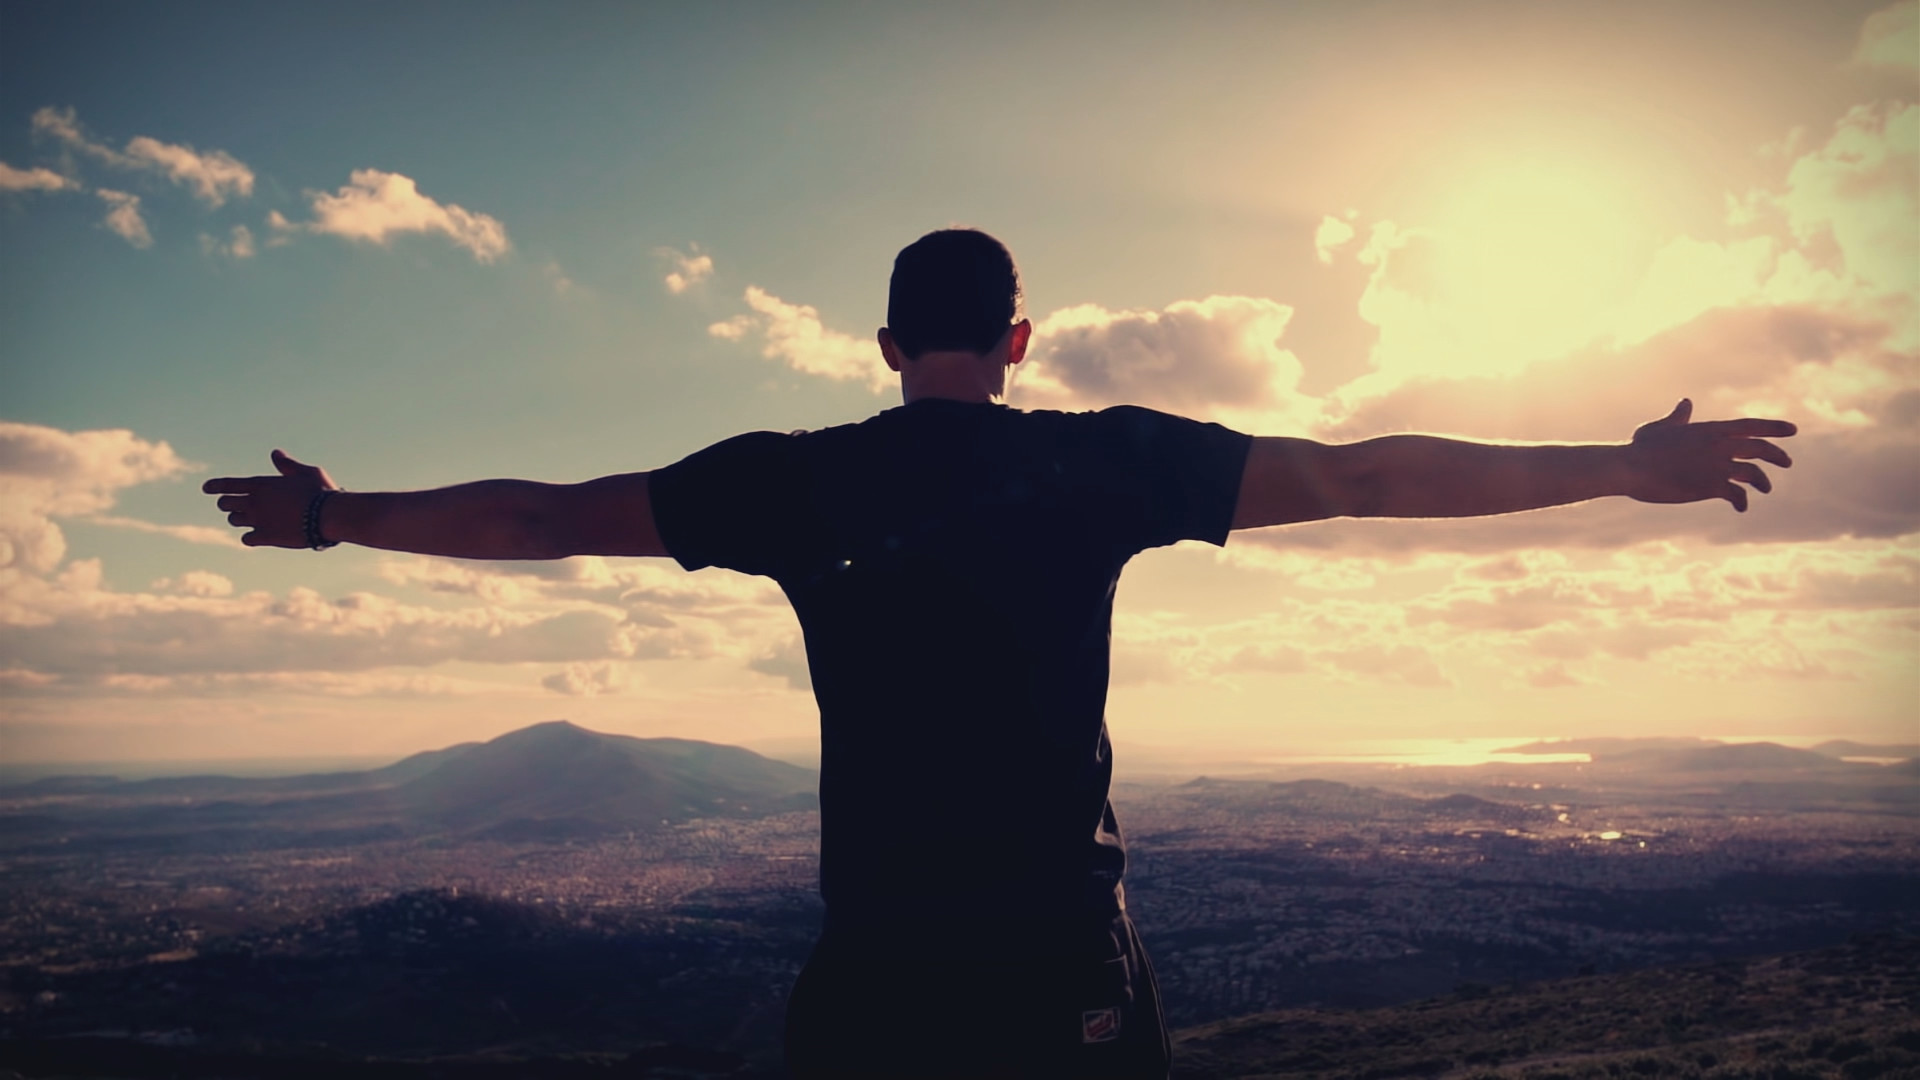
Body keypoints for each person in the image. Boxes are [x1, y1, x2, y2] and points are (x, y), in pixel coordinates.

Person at [204, 228, 1795, 1079]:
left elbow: (545, 519)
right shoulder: (1099, 463)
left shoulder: (799, 478)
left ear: (887, 347)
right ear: (1019, 339)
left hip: (881, 965)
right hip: (1059, 962)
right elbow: (1371, 476)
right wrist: (1614, 466)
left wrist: (341, 520)